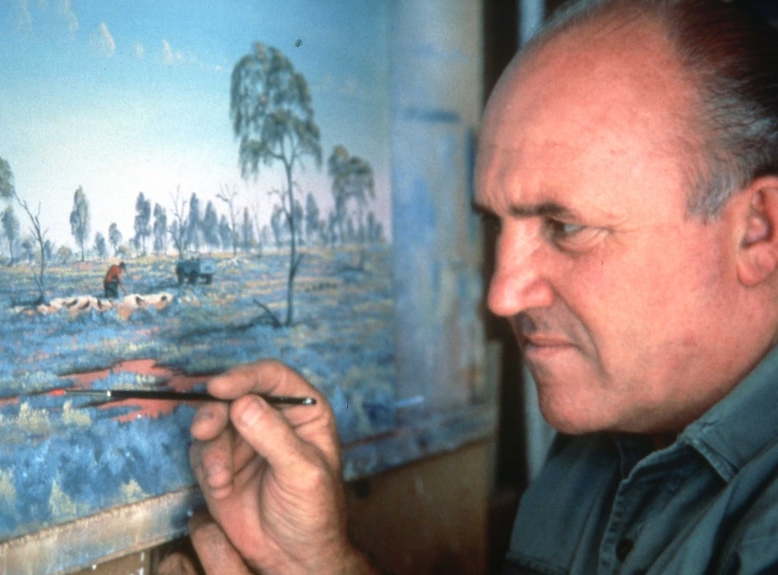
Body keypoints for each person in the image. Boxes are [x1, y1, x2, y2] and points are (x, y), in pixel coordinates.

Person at [166, 1, 778, 573]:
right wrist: (319, 564)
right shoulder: (600, 449)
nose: (502, 296)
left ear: (758, 232)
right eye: (494, 225)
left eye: (565, 228)